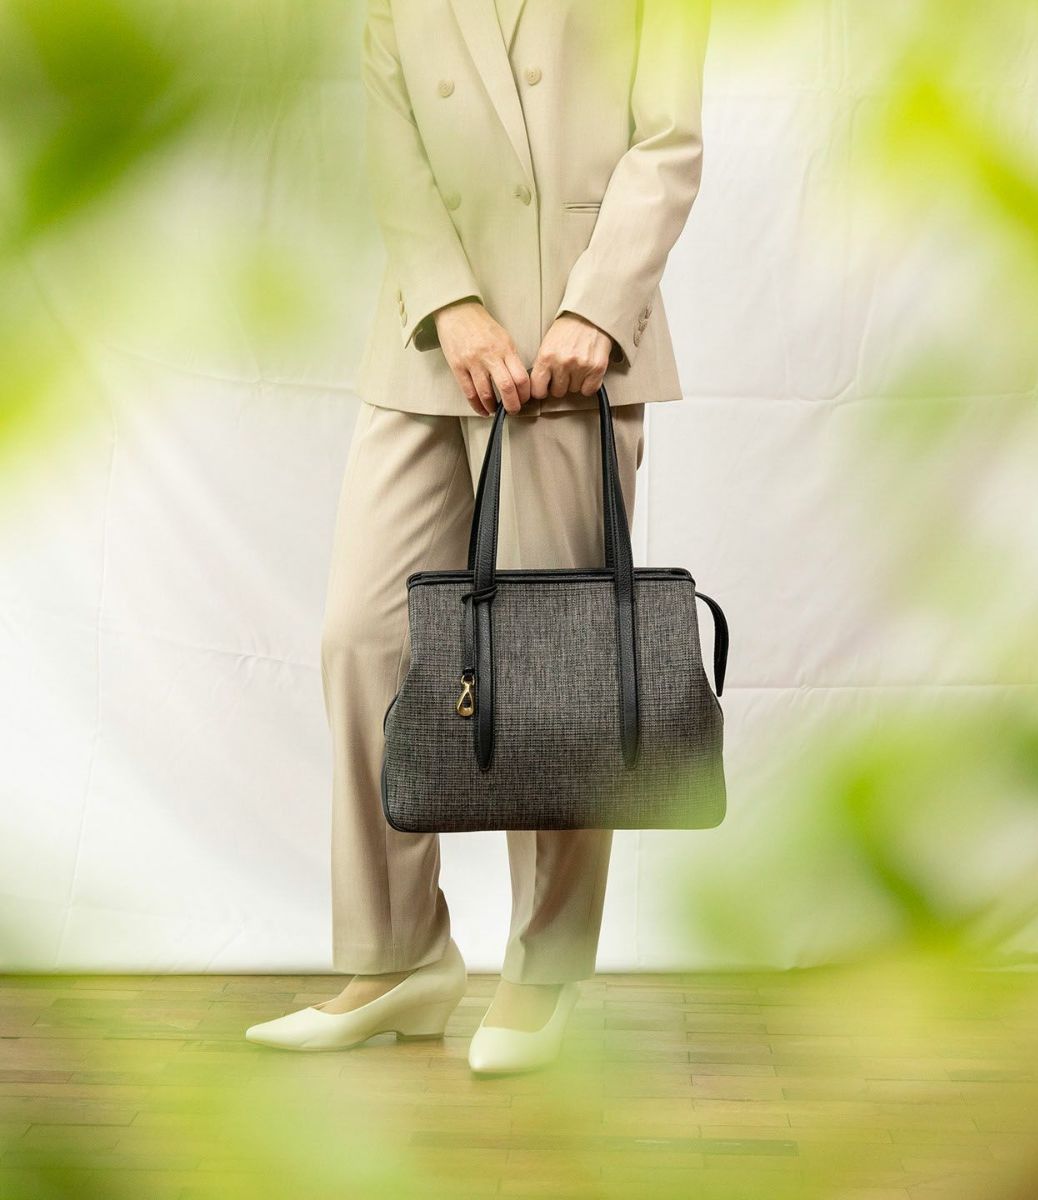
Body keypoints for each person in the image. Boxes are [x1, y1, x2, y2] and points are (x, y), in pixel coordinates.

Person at [246, 0, 710, 1073]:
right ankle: (397, 958)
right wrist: (450, 303)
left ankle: (545, 969)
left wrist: (600, 306)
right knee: (363, 640)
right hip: (427, 336)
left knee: (555, 665)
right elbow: (391, 134)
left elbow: (669, 139)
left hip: (568, 345)